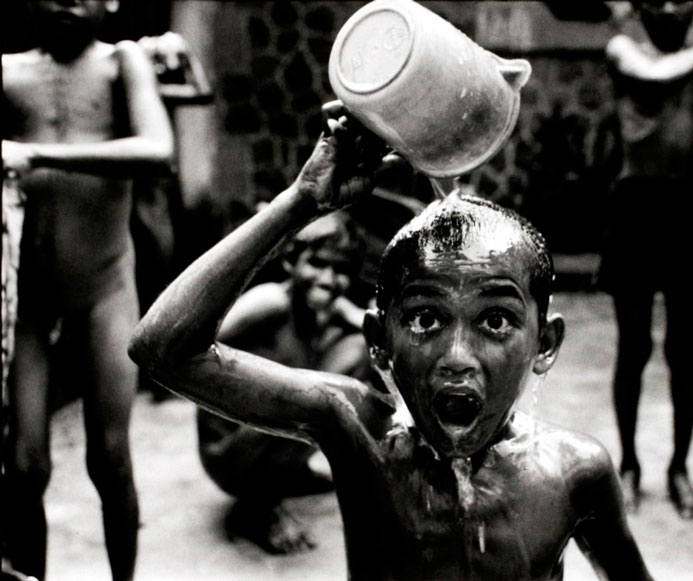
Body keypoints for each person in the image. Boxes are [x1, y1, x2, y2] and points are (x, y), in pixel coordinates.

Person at [129, 102, 654, 580]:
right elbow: (160, 348)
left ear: (545, 343)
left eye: (494, 321)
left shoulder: (575, 473)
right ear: (381, 342)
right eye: (426, 319)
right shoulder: (359, 435)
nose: (457, 358)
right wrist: (300, 203)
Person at [1, 1, 174, 579]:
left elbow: (157, 150)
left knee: (109, 457)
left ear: (112, 3)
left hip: (104, 286)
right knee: (24, 466)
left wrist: (37, 154)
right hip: (26, 295)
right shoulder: (7, 72)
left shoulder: (123, 62)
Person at [597, 0, 693, 519]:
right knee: (633, 346)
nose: (672, 7)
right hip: (636, 208)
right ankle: (629, 465)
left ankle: (679, 469)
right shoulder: (623, 49)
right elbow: (654, 72)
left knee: (684, 349)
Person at [197, 211, 373, 553]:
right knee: (308, 395)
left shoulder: (324, 309)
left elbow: (358, 321)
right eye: (318, 263)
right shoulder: (271, 302)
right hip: (230, 449)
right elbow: (193, 345)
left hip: (265, 434)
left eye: (341, 271)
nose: (328, 278)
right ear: (291, 262)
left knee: (355, 353)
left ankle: (288, 473)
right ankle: (257, 507)